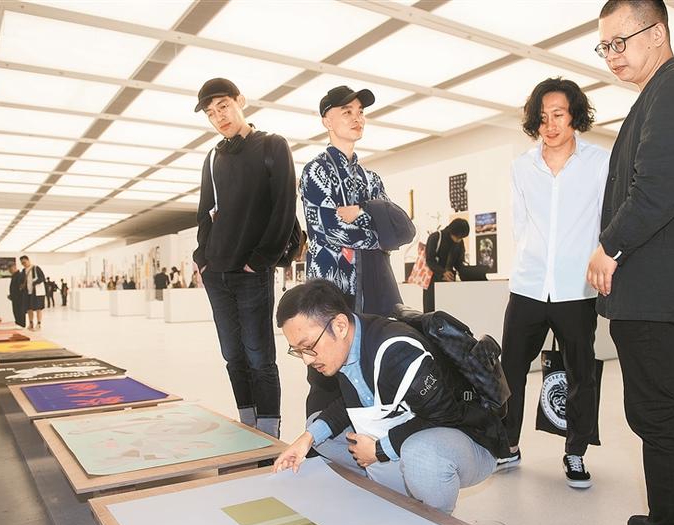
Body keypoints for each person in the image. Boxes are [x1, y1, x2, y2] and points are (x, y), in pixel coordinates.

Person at [273, 279, 509, 514]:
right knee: (317, 430)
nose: (307, 359)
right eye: (298, 351)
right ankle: (389, 492)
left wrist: (380, 449)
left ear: (340, 326)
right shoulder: (347, 344)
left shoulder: (398, 352)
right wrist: (306, 439)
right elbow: (354, 402)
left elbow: (445, 415)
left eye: (308, 346)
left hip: (468, 439)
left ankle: (436, 522)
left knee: (422, 455)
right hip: (406, 434)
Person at [586, 1, 674, 525]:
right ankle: (670, 516)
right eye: (605, 46)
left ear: (659, 32)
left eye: (621, 41)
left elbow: (658, 187)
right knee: (668, 416)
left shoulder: (672, 87)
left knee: (660, 418)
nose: (612, 55)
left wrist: (608, 246)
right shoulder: (657, 93)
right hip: (658, 294)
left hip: (654, 294)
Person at [498, 77, 610, 489]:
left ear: (574, 115)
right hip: (528, 285)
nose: (550, 125)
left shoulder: (599, 162)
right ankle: (508, 444)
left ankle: (575, 452)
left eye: (558, 115)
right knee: (510, 370)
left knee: (582, 374)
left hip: (576, 288)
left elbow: (606, 221)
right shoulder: (521, 166)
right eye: (542, 117)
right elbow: (520, 224)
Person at [300, 84, 415, 418]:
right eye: (347, 111)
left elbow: (400, 230)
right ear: (327, 120)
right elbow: (328, 229)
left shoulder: (371, 178)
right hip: (331, 287)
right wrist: (376, 231)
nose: (357, 118)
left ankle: (368, 432)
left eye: (360, 112)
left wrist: (362, 210)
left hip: (371, 285)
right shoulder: (315, 171)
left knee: (370, 362)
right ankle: (318, 437)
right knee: (325, 369)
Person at [193, 77, 296, 438]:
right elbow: (205, 212)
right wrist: (202, 258)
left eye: (223, 106)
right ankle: (247, 427)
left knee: (259, 356)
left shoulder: (272, 146)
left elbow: (284, 208)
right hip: (217, 273)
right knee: (232, 356)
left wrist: (261, 260)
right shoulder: (213, 158)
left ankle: (268, 435)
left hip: (252, 271)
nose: (218, 116)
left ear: (241, 101)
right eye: (210, 113)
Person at [423, 218, 470, 312]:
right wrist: (443, 272)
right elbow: (430, 260)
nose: (459, 240)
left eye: (461, 237)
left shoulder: (459, 242)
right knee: (431, 311)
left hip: (449, 283)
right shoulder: (435, 237)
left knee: (449, 310)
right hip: (432, 282)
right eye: (458, 237)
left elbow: (459, 263)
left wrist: (468, 273)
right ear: (452, 231)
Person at [19, 255, 45, 331]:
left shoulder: (36, 268)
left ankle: (39, 324)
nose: (23, 264)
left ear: (28, 260)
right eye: (22, 263)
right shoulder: (23, 271)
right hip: (27, 292)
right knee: (28, 308)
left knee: (38, 308)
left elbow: (42, 278)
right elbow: (22, 281)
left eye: (24, 262)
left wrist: (34, 282)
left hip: (36, 292)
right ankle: (31, 323)